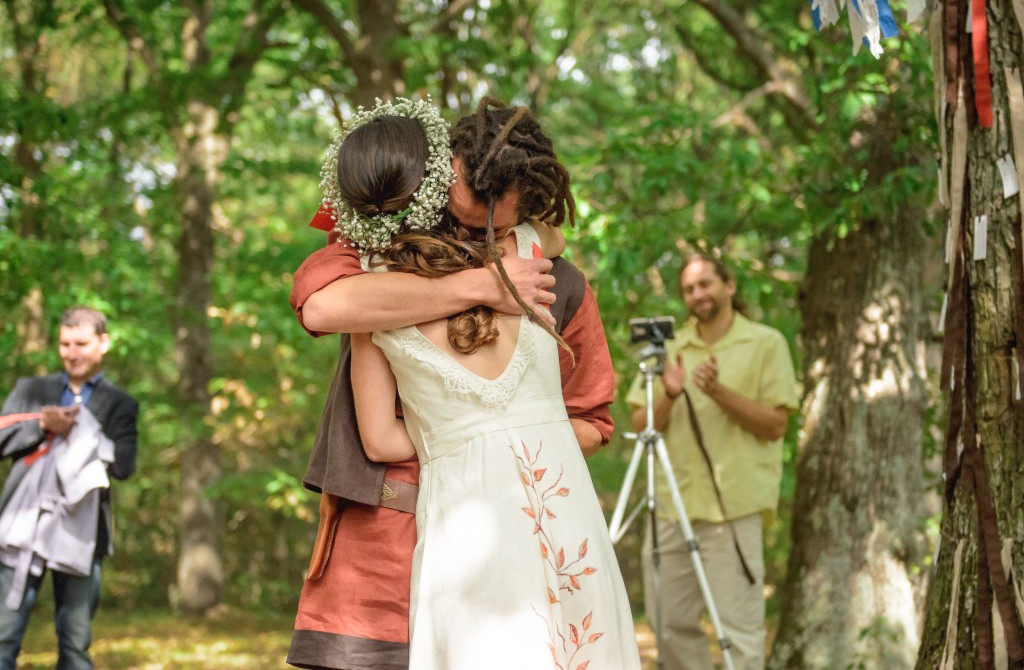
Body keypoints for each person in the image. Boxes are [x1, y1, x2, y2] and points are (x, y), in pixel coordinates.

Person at [286, 98, 617, 670]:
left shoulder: (557, 284)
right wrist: (481, 286)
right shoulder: (371, 249)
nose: (489, 225)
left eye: (506, 218)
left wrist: (499, 446)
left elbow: (592, 419)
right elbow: (320, 306)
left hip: (530, 543)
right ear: (446, 167)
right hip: (378, 552)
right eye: (476, 207)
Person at [625, 253, 799, 670]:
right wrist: (668, 393)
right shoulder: (670, 346)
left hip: (733, 508)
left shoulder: (766, 342)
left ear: (729, 286)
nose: (697, 294)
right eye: (689, 289)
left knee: (738, 630)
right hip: (671, 505)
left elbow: (776, 424)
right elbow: (638, 420)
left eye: (705, 284)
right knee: (669, 625)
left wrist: (718, 392)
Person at [0, 306, 139, 670]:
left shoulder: (121, 403)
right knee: (2, 638)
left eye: (81, 343)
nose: (72, 352)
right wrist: (42, 426)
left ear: (102, 343)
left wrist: (85, 437)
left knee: (75, 644)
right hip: (21, 528)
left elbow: (124, 466)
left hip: (83, 534)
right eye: (65, 344)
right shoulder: (32, 389)